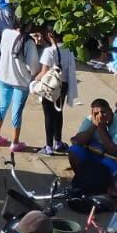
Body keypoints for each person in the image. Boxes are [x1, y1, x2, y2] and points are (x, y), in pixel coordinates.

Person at [67, 99, 117, 195]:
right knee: (74, 151)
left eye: (103, 112)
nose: (100, 115)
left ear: (110, 110)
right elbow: (77, 140)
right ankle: (82, 180)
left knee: (103, 166)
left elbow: (113, 151)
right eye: (96, 113)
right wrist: (94, 126)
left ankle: (104, 188)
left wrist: (101, 128)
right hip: (95, 153)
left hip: (116, 159)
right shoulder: (90, 119)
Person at [31, 26, 78, 155]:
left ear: (50, 35)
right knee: (58, 114)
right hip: (63, 86)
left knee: (48, 116)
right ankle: (58, 142)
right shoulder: (68, 50)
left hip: (50, 87)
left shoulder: (49, 51)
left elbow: (43, 73)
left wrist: (34, 80)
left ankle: (48, 146)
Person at [0, 23, 37, 152]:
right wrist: (33, 77)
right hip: (20, 81)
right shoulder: (29, 42)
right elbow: (33, 65)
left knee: (2, 105)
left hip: (3, 76)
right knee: (16, 111)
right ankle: (15, 142)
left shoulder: (6, 33)